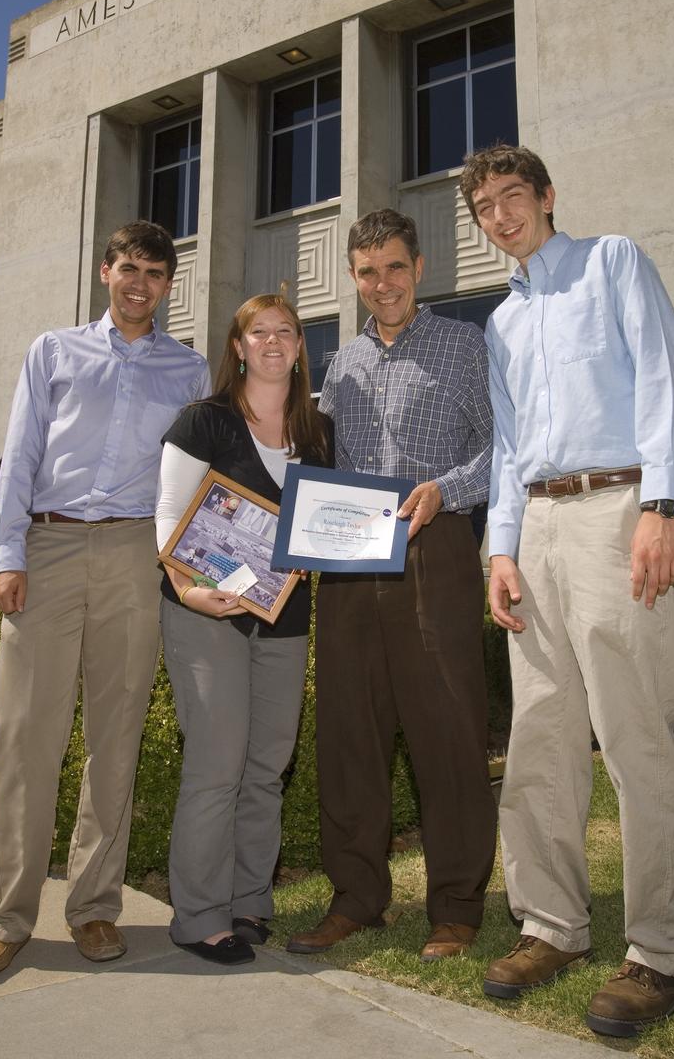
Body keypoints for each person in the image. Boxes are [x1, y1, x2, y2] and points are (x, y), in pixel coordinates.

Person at [458, 145, 674, 1038]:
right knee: (540, 735)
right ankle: (552, 924)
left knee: (634, 735)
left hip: (619, 509)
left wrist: (663, 507)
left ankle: (660, 950)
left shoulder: (614, 262)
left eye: (512, 197)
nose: (501, 216)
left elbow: (665, 381)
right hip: (540, 529)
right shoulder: (502, 325)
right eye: (485, 208)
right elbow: (513, 447)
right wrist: (502, 552)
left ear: (547, 197)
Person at [0, 221, 210, 978]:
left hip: (137, 557)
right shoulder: (54, 351)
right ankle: (8, 917)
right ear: (106, 272)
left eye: (156, 274)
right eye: (129, 268)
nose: (141, 284)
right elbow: (21, 455)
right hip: (51, 547)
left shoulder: (189, 370)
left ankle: (97, 908)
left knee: (116, 738)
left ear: (170, 285)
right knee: (27, 738)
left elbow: (201, 479)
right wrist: (9, 556)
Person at [286, 210, 496, 962]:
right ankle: (356, 900)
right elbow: (318, 465)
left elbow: (500, 450)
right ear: (353, 277)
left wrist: (446, 488)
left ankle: (457, 907)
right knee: (350, 734)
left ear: (420, 267)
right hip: (349, 561)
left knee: (447, 730)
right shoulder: (339, 365)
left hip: (433, 548)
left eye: (396, 268)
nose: (384, 285)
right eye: (369, 272)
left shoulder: (465, 346)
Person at [156, 294, 332, 967]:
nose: (274, 341)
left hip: (284, 616)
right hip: (206, 613)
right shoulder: (204, 422)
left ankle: (249, 900)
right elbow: (169, 515)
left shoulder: (317, 431)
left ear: (298, 345)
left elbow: (325, 524)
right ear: (238, 345)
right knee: (217, 763)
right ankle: (199, 915)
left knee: (266, 765)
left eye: (286, 331)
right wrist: (187, 591)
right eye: (259, 331)